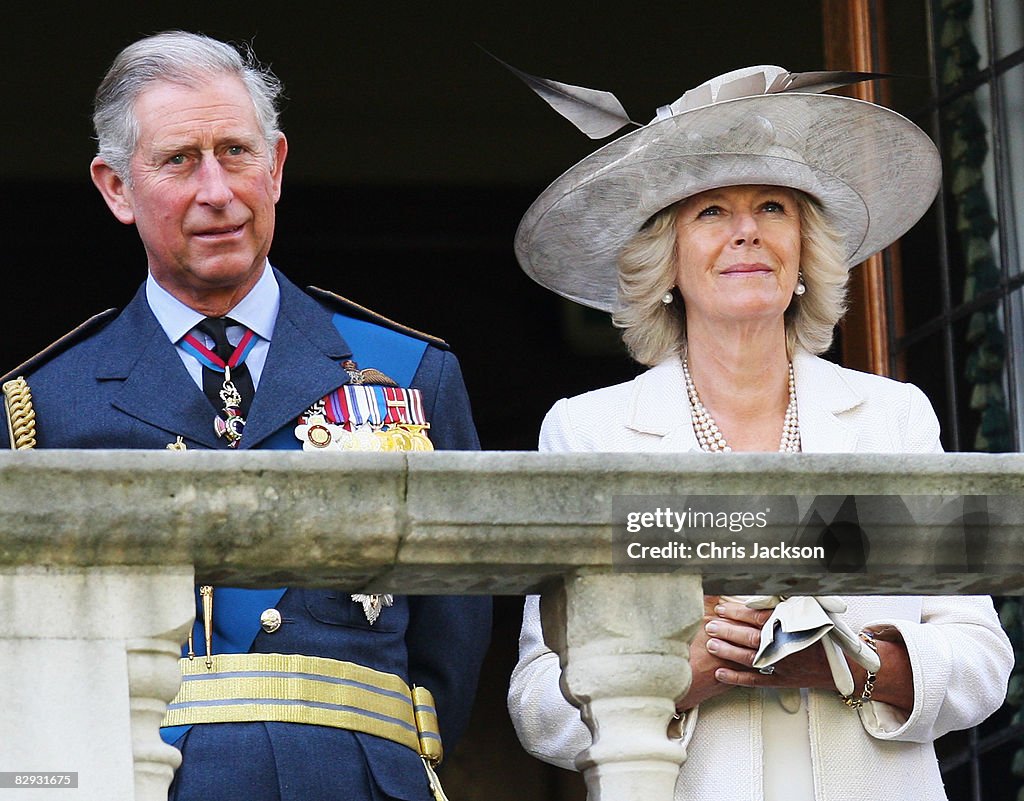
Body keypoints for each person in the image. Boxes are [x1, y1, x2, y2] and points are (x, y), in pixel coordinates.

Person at [0, 31, 491, 801]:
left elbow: (449, 650)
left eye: (235, 151)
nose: (217, 190)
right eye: (178, 159)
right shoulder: (44, 405)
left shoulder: (411, 372)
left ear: (278, 167)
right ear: (116, 188)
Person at [505, 64, 1013, 800]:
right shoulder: (589, 431)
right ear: (668, 260)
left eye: (772, 206)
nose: (746, 230)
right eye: (710, 211)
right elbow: (537, 701)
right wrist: (677, 671)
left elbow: (981, 659)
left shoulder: (893, 418)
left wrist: (846, 660)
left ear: (803, 249)